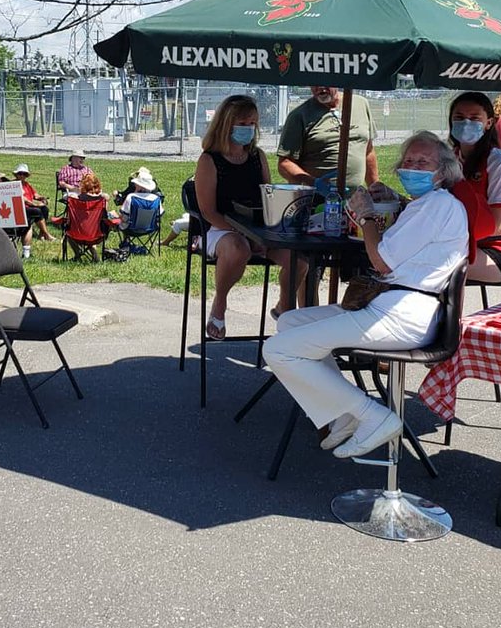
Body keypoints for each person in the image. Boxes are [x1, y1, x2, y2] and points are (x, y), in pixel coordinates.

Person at [263, 131, 468, 459]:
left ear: (442, 172)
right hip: (398, 306)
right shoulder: (429, 205)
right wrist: (396, 203)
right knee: (291, 321)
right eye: (409, 161)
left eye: (422, 161)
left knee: (278, 351)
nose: (412, 166)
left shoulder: (438, 205)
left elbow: (382, 261)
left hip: (402, 312)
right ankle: (341, 413)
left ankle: (372, 415)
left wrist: (368, 217)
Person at [273, 86, 380, 316]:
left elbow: (368, 151)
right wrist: (311, 181)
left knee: (363, 260)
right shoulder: (300, 116)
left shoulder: (360, 104)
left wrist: (374, 187)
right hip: (317, 203)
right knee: (311, 264)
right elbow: (284, 163)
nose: (319, 87)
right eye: (314, 82)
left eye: (326, 81)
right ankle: (307, 319)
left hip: (355, 203)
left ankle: (353, 320)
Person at [194, 94, 285, 340]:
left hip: (258, 227)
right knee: (238, 248)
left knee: (299, 258)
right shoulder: (209, 160)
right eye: (243, 123)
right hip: (220, 229)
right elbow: (208, 211)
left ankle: (285, 307)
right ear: (227, 124)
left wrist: (266, 232)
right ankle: (220, 303)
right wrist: (245, 233)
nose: (249, 129)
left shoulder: (258, 157)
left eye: (252, 124)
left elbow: (269, 196)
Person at [447, 91, 501, 284]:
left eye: (474, 118)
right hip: (457, 243)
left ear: (488, 123)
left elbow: (499, 225)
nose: (466, 123)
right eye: (459, 118)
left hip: (498, 251)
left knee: (432, 260)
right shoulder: (448, 158)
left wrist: (450, 236)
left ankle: (450, 315)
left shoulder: (499, 162)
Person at [13, 163, 56, 257]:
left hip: (29, 207)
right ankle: (46, 234)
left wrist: (42, 198)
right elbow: (23, 199)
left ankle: (41, 234)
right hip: (21, 208)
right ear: (16, 175)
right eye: (20, 173)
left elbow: (35, 195)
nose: (22, 176)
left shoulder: (27, 185)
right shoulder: (14, 185)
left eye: (24, 174)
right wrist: (35, 204)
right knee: (37, 211)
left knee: (44, 209)